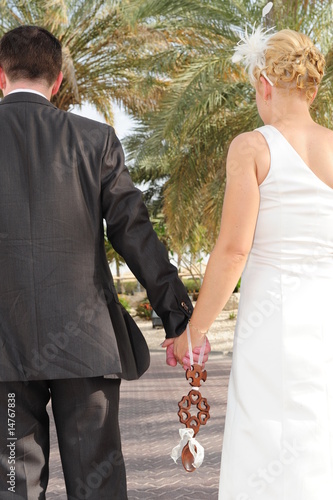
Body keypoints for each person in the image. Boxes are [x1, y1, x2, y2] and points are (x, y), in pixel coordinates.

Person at [0, 25, 210, 499]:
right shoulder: (95, 139)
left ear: (1, 76)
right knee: (98, 483)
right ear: (56, 82)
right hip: (84, 345)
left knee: (12, 482)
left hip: (5, 351)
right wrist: (178, 318)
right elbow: (133, 230)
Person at [165, 28, 333, 499]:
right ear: (312, 86)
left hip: (275, 324)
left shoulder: (253, 146)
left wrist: (194, 332)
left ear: (263, 83)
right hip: (327, 317)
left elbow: (233, 250)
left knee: (267, 434)